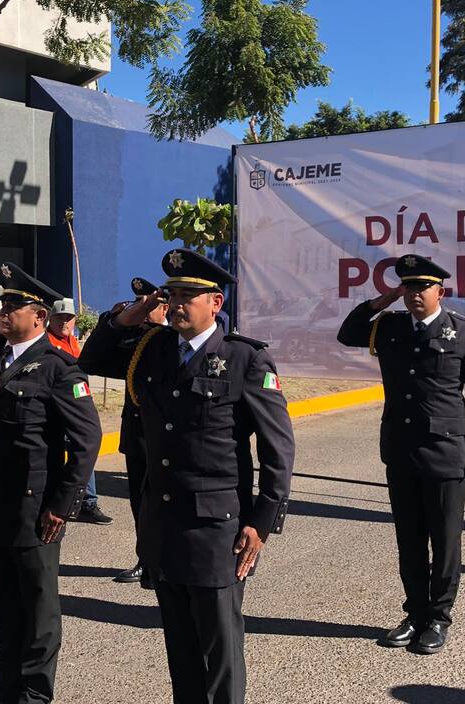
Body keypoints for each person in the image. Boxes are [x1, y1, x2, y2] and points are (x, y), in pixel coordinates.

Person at [79, 249, 295, 704]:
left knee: (219, 651)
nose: (176, 303)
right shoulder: (152, 348)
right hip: (163, 522)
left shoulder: (244, 360)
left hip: (217, 528)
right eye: (171, 294)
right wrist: (130, 316)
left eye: (188, 296)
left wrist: (262, 521)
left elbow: (279, 449)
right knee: (179, 647)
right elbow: (92, 360)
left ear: (215, 303)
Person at [0, 263, 102, 704]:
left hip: (35, 506)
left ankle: (34, 693)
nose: (4, 313)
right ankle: (9, 685)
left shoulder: (59, 369)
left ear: (39, 317)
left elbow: (87, 438)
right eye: (4, 305)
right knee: (4, 601)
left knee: (37, 605)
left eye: (15, 307)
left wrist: (64, 503)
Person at [337, 254, 465, 654]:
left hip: (445, 451)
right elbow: (347, 333)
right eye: (408, 287)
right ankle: (415, 613)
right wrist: (381, 300)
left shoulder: (463, 331)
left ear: (440, 291)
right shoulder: (388, 328)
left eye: (422, 287)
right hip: (402, 449)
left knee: (444, 540)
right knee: (408, 539)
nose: (414, 294)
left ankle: (439, 619)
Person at [112, 276, 169, 585]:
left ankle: (161, 556)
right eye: (141, 306)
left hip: (161, 437)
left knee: (160, 502)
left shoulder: (170, 341)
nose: (146, 312)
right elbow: (96, 358)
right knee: (139, 500)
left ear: (166, 309)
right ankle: (144, 557)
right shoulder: (135, 340)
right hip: (136, 434)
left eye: (153, 306)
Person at [48, 298, 111, 526]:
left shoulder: (73, 341)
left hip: (77, 406)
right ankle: (78, 501)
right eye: (59, 318)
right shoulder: (47, 343)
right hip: (58, 409)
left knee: (84, 451)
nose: (64, 322)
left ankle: (87, 502)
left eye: (68, 318)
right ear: (49, 319)